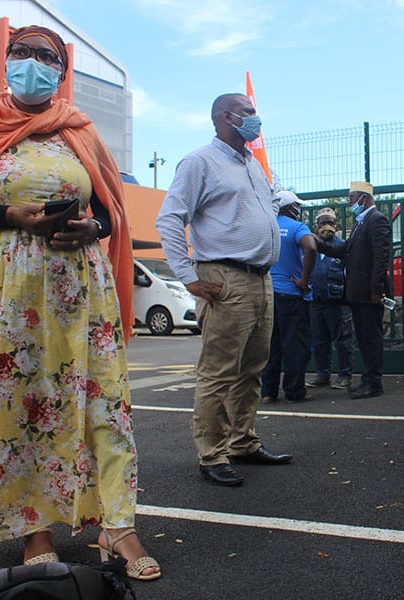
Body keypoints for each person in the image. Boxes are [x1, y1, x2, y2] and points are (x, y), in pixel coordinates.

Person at [0, 25, 160, 580]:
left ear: (61, 70)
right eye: (23, 53)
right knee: (20, 402)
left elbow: (107, 210)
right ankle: (34, 529)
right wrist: (10, 215)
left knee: (100, 402)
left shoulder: (78, 130)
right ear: (5, 61)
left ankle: (116, 525)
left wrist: (88, 227)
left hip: (78, 287)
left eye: (47, 57)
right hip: (5, 290)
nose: (34, 63)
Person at [156, 92, 292, 488]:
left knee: (252, 369)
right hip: (225, 278)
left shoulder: (251, 165)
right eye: (249, 113)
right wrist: (188, 276)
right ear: (225, 117)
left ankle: (242, 442)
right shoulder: (201, 162)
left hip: (259, 278)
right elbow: (169, 219)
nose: (256, 119)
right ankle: (212, 453)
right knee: (218, 372)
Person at [316, 181, 391, 399]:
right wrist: (318, 243)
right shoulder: (360, 223)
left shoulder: (376, 220)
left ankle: (374, 382)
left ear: (363, 198)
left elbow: (381, 258)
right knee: (364, 338)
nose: (349, 201)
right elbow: (343, 250)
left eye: (352, 197)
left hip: (369, 293)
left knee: (371, 337)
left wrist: (376, 290)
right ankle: (368, 379)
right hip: (358, 294)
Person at [261, 190, 317, 403]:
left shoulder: (267, 227)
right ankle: (294, 391)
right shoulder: (297, 227)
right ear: (289, 207)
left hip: (268, 295)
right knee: (295, 345)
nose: (298, 210)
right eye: (296, 206)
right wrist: (304, 279)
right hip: (292, 295)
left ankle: (268, 392)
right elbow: (311, 247)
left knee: (270, 345)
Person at [306, 207, 355, 390]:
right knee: (319, 341)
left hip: (337, 301)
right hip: (316, 301)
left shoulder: (342, 246)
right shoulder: (310, 246)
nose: (327, 226)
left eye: (330, 223)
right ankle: (322, 374)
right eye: (323, 223)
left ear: (336, 225)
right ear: (316, 225)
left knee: (343, 341)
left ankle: (345, 376)